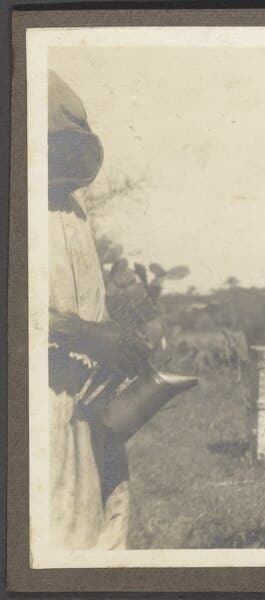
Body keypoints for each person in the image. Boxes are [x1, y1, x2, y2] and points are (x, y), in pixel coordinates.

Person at [48, 70, 149, 549]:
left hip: (92, 401)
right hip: (40, 405)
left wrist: (121, 345)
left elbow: (90, 304)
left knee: (105, 529)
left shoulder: (73, 210)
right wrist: (86, 336)